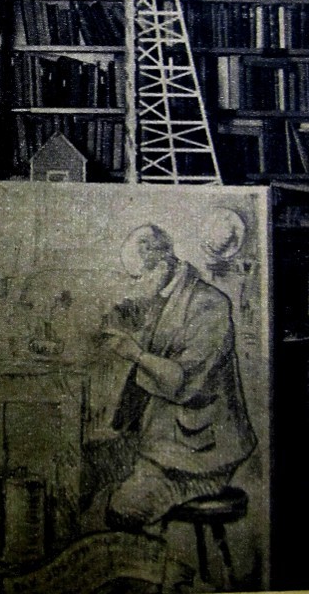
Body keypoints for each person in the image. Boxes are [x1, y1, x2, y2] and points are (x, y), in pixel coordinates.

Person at [81, 223, 257, 533]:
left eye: (137, 277)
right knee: (89, 467)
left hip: (199, 452)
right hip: (162, 436)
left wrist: (136, 354)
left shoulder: (210, 305)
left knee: (119, 509)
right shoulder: (164, 295)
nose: (133, 286)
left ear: (162, 267)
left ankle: (151, 563)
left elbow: (183, 382)